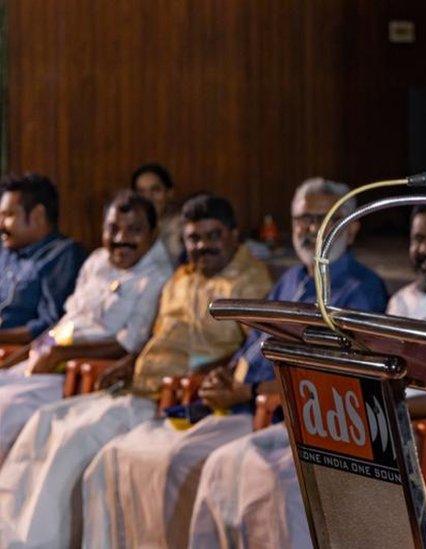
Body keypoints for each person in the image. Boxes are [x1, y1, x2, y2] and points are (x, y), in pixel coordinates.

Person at [187, 205, 426, 547]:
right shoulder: (405, 299)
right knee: (226, 463)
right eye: (418, 239)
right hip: (356, 431)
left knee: (290, 484)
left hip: (415, 450)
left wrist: (382, 408)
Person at [82, 179, 388, 548]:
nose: (311, 229)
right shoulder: (293, 279)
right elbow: (254, 345)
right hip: (235, 401)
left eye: (324, 218)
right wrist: (224, 373)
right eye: (303, 219)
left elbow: (335, 377)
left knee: (191, 463)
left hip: (282, 415)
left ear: (351, 227)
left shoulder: (360, 289)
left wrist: (249, 390)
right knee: (122, 456)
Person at [0, 194, 271, 548]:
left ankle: (40, 543)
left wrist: (207, 374)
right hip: (135, 384)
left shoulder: (251, 283)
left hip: (171, 397)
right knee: (44, 423)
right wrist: (128, 363)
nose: (202, 247)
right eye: (193, 238)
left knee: (83, 450)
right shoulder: (182, 278)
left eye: (212, 236)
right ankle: (12, 536)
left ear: (234, 235)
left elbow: (248, 353)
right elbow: (156, 336)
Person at [0, 191, 171, 462]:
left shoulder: (158, 277)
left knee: (6, 409)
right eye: (113, 229)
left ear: (153, 233)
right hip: (46, 360)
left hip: (78, 376)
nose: (121, 239)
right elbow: (65, 324)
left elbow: (127, 346)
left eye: (134, 230)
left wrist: (60, 355)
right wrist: (13, 362)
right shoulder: (96, 261)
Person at [0, 173, 86, 345]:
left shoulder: (63, 256)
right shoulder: (6, 251)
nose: (1, 224)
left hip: (22, 358)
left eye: (8, 215)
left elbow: (51, 327)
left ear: (38, 215)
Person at [132, 162, 183, 265]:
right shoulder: (126, 230)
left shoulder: (181, 227)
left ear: (169, 193)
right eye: (141, 192)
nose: (148, 198)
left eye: (155, 190)